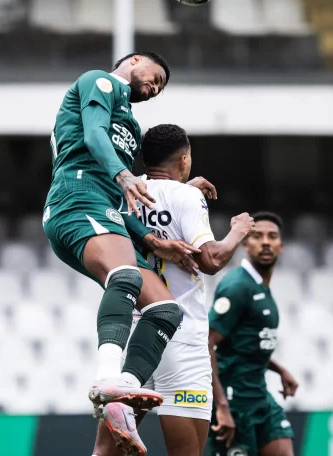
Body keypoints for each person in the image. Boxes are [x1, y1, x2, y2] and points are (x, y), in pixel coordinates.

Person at [42, 53, 201, 453]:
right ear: (133, 60)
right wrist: (125, 174)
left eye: (161, 87)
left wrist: (150, 240)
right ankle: (106, 381)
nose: (156, 87)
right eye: (156, 76)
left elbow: (120, 195)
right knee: (125, 276)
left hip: (105, 208)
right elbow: (95, 137)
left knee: (166, 309)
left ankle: (124, 392)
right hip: (77, 198)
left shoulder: (128, 120)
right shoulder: (100, 81)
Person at [92, 124, 255, 456]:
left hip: (136, 334)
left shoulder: (127, 192)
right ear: (184, 159)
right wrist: (238, 232)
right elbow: (209, 259)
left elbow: (152, 213)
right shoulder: (187, 196)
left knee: (104, 451)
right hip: (181, 336)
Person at [206, 212, 299, 456]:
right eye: (258, 236)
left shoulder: (259, 287)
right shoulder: (237, 286)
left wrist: (280, 370)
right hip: (234, 400)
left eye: (272, 236)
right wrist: (222, 406)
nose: (266, 242)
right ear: (246, 244)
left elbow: (244, 345)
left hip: (259, 396)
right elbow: (206, 341)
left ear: (281, 246)